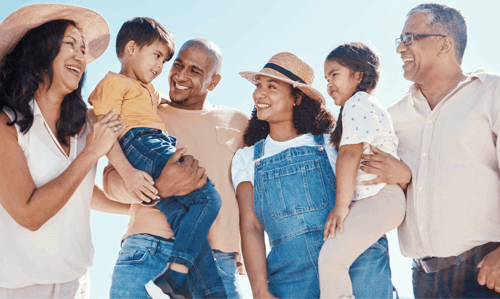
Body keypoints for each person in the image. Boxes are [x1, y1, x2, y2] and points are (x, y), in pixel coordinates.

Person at [361, 3, 500, 298]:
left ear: (444, 45)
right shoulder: (391, 117)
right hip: (424, 281)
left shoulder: (492, 93)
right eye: (400, 40)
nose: (400, 48)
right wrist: (405, 177)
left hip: (487, 274)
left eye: (409, 38)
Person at [232, 52, 395, 299]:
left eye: (272, 86)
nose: (259, 94)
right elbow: (251, 226)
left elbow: (379, 179)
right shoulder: (246, 158)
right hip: (289, 280)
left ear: (297, 98)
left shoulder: (333, 143)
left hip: (356, 267)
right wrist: (259, 291)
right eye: (258, 86)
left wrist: (403, 173)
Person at [89, 18, 226, 298]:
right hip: (141, 142)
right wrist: (127, 171)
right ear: (131, 48)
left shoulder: (146, 90)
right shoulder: (113, 84)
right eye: (158, 56)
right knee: (208, 199)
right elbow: (103, 130)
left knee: (177, 209)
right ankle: (178, 274)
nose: (160, 66)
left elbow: (162, 99)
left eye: (164, 60)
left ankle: (178, 276)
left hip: (154, 143)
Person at [0, 4, 130, 299]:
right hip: (19, 289)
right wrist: (91, 153)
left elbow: (80, 189)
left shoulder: (87, 122)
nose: (81, 55)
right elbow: (28, 213)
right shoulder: (7, 123)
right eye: (70, 44)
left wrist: (136, 209)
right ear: (39, 52)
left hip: (77, 285)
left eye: (83, 49)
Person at [318, 43, 406, 299]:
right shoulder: (360, 106)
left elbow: (349, 154)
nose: (329, 83)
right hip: (379, 199)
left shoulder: (358, 103)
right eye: (326, 78)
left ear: (358, 75)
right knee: (336, 258)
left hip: (380, 198)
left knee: (331, 259)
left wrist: (341, 206)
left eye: (334, 74)